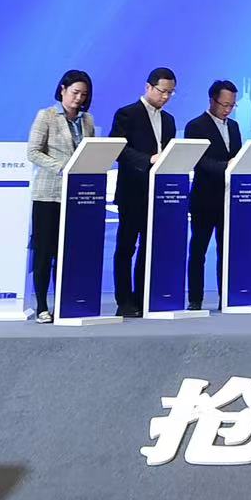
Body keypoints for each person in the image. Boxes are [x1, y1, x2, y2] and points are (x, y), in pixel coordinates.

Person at [25, 69, 95, 324]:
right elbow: (33, 152)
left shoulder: (87, 120)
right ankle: (42, 306)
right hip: (48, 194)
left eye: (84, 94)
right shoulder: (46, 116)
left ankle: (66, 303)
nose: (79, 98)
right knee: (45, 252)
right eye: (75, 92)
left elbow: (89, 151)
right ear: (63, 90)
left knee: (70, 253)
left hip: (77, 196)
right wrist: (62, 167)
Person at [107, 67, 177, 318]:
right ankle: (124, 300)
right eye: (162, 91)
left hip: (158, 193)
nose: (165, 97)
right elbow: (118, 149)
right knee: (126, 247)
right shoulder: (127, 113)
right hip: (132, 191)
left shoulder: (168, 120)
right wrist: (148, 159)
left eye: (170, 93)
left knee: (150, 247)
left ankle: (143, 296)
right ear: (148, 87)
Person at [182, 80, 242, 311]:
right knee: (198, 250)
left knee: (226, 251)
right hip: (204, 199)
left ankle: (225, 296)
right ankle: (195, 298)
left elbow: (237, 156)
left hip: (228, 199)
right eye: (224, 104)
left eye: (232, 105)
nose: (227, 109)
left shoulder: (234, 127)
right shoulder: (195, 126)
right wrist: (227, 166)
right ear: (212, 100)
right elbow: (200, 162)